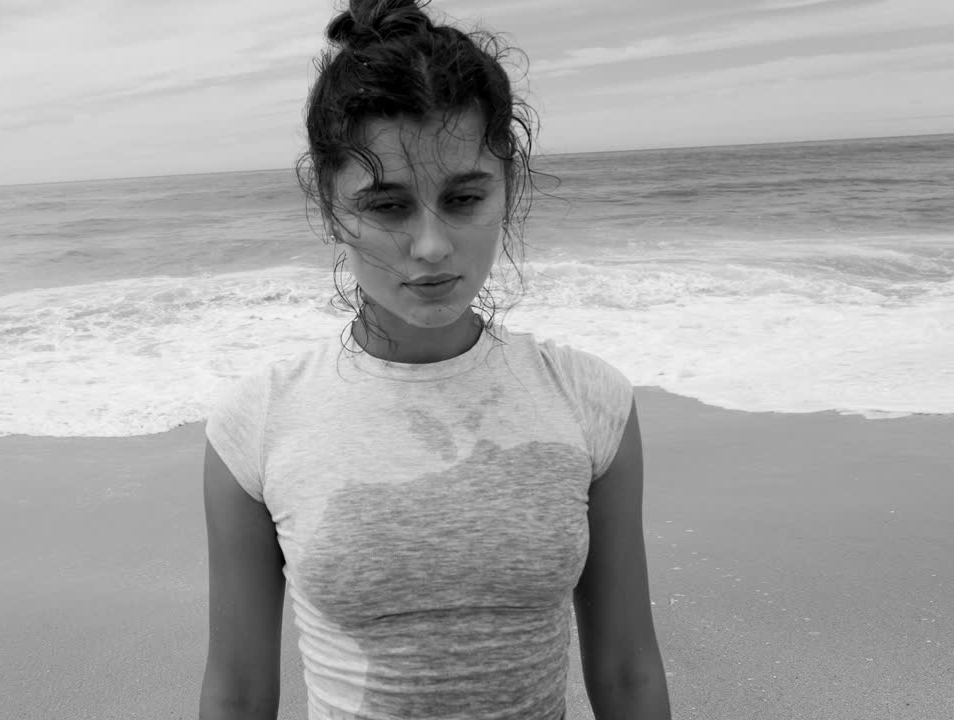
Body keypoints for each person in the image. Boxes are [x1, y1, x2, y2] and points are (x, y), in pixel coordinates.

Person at [199, 1, 672, 718]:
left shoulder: (588, 401)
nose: (431, 246)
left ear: (508, 188)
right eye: (387, 206)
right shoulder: (257, 423)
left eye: (464, 197)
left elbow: (627, 671)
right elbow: (238, 692)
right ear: (330, 207)